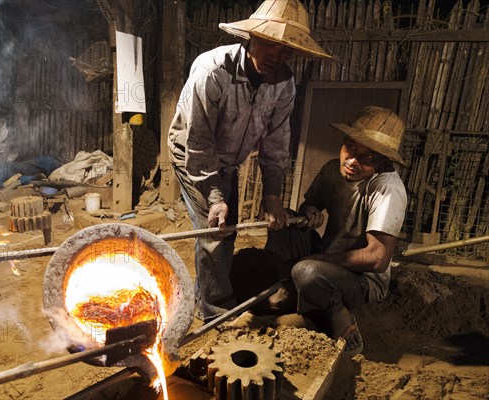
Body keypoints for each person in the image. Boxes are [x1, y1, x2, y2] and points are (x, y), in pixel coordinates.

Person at [168, 0, 331, 321]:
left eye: (286, 50)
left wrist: (272, 194)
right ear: (252, 36)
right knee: (216, 228)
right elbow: (199, 142)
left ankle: (209, 292)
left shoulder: (283, 83)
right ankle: (215, 311)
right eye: (271, 43)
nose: (277, 56)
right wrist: (214, 198)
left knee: (226, 230)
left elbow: (276, 142)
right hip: (191, 154)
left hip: (228, 160)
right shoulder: (212, 72)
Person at [248, 106, 408, 356]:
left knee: (307, 271)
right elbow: (309, 204)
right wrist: (310, 213)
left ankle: (337, 314)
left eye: (368, 158)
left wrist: (321, 259)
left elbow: (378, 258)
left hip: (361, 279)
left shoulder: (387, 189)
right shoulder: (334, 169)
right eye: (351, 148)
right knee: (285, 219)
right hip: (328, 257)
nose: (353, 161)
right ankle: (289, 287)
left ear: (383, 161)